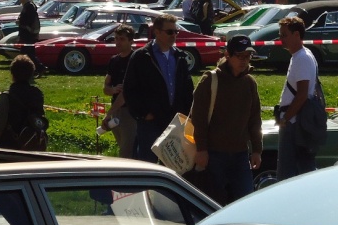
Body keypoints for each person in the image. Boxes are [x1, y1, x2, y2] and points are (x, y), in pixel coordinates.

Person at [190, 35, 262, 204]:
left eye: (248, 56)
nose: (244, 61)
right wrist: (202, 149)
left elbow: (254, 119)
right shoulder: (210, 80)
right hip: (214, 155)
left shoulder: (249, 83)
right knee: (213, 202)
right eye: (240, 56)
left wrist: (257, 150)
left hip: (241, 155)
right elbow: (198, 118)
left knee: (245, 201)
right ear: (228, 55)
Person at [123, 14, 194, 162]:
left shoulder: (179, 57)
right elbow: (130, 90)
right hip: (151, 123)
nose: (174, 35)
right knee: (148, 166)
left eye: (176, 32)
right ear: (157, 32)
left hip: (175, 123)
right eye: (170, 32)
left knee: (174, 167)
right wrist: (143, 114)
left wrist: (187, 115)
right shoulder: (142, 57)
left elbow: (187, 88)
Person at [275, 16, 319, 180]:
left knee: (287, 175)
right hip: (298, 122)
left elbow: (301, 94)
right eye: (280, 36)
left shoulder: (301, 58)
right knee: (304, 170)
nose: (281, 40)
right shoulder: (303, 55)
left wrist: (285, 118)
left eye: (284, 35)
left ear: (297, 35)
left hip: (295, 124)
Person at [0, 55, 47, 149]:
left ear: (12, 74)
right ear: (31, 74)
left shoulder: (7, 97)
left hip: (9, 148)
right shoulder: (37, 95)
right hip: (33, 148)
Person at [100, 25, 138, 158]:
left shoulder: (136, 59)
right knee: (122, 146)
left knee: (127, 152)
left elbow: (126, 93)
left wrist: (109, 113)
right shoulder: (114, 60)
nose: (117, 42)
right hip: (116, 110)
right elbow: (106, 86)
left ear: (131, 41)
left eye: (122, 39)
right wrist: (111, 89)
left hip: (130, 111)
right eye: (116, 38)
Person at [17, 0, 47, 76]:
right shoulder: (28, 6)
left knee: (28, 53)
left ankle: (40, 68)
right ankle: (30, 70)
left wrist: (20, 22)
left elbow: (28, 20)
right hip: (28, 33)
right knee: (28, 53)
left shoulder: (29, 6)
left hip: (28, 34)